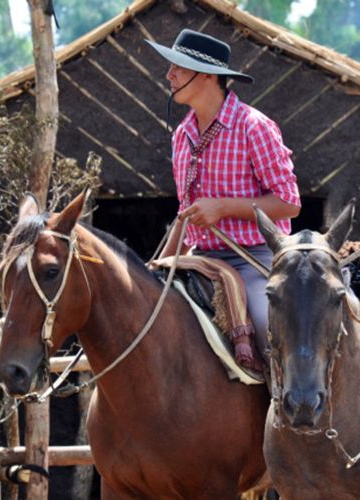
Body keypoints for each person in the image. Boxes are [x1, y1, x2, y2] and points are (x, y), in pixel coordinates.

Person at [146, 29, 301, 362]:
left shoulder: (254, 127)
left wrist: (224, 208)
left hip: (254, 259)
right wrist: (156, 269)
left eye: (179, 68)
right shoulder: (182, 136)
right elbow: (185, 215)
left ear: (206, 75)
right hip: (199, 259)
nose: (168, 75)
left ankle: (287, 410)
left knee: (268, 328)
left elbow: (289, 202)